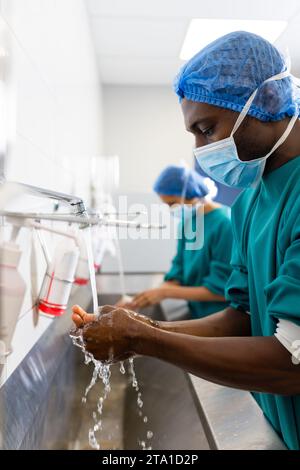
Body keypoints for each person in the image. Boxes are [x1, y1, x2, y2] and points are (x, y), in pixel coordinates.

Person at [72, 31, 300, 449]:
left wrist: (144, 339)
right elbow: (242, 318)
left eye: (206, 129)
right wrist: (146, 327)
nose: (200, 150)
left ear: (265, 105)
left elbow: (291, 363)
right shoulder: (252, 201)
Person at [118, 165, 232, 318]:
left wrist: (164, 292)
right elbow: (178, 271)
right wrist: (139, 300)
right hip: (196, 313)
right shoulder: (187, 223)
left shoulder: (225, 224)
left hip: (222, 317)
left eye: (172, 203)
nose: (171, 209)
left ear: (192, 194)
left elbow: (222, 290)